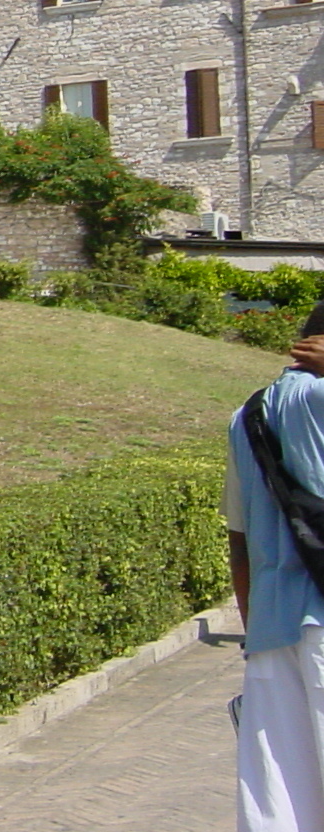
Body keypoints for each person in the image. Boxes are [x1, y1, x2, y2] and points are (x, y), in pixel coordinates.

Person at [228, 306, 324, 830]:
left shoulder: (247, 415)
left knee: (279, 800)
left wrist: (255, 630)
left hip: (271, 628)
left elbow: (239, 544)